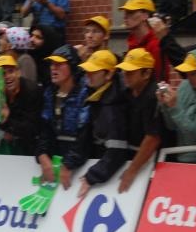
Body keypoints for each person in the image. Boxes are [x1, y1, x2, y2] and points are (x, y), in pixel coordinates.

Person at [74, 50, 129, 198]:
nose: (88, 74)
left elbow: (116, 151)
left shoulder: (113, 106)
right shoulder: (98, 96)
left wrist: (92, 176)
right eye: (87, 70)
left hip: (114, 179)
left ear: (109, 74)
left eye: (94, 71)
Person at [35, 45, 90, 189]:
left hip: (80, 166)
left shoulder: (85, 93)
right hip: (56, 161)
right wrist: (42, 154)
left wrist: (68, 164)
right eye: (52, 64)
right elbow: (45, 129)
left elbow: (85, 135)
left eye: (59, 64)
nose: (53, 68)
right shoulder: (49, 93)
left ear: (72, 67)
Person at [115, 48, 167, 192]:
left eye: (130, 72)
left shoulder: (154, 95)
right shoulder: (127, 91)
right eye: (124, 71)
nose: (125, 75)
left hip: (159, 162)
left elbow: (153, 137)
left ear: (147, 73)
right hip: (138, 156)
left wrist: (132, 170)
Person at [120, 0, 165, 81]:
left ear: (145, 15)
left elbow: (159, 80)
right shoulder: (132, 42)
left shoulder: (156, 45)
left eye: (131, 12)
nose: (125, 16)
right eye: (125, 12)